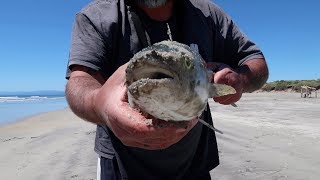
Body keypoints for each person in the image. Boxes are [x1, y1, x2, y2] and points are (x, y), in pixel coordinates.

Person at [65, 0, 269, 179]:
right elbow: (80, 80)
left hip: (194, 166)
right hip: (121, 165)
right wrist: (100, 104)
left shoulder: (208, 14)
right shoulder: (96, 16)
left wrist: (241, 78)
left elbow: (255, 61)